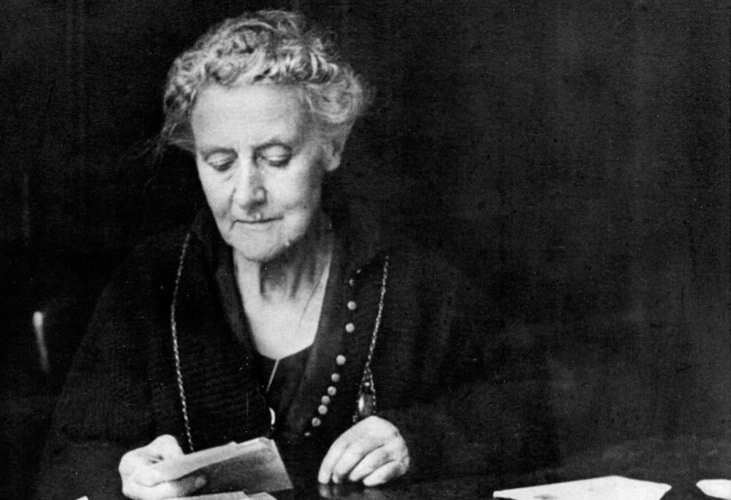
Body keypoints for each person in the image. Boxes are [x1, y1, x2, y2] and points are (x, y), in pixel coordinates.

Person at [34, 10, 553, 500]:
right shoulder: (151, 285)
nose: (246, 193)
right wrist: (125, 474)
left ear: (331, 147)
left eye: (275, 158)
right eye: (220, 163)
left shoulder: (416, 285)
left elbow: (529, 415)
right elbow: (70, 461)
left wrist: (418, 438)